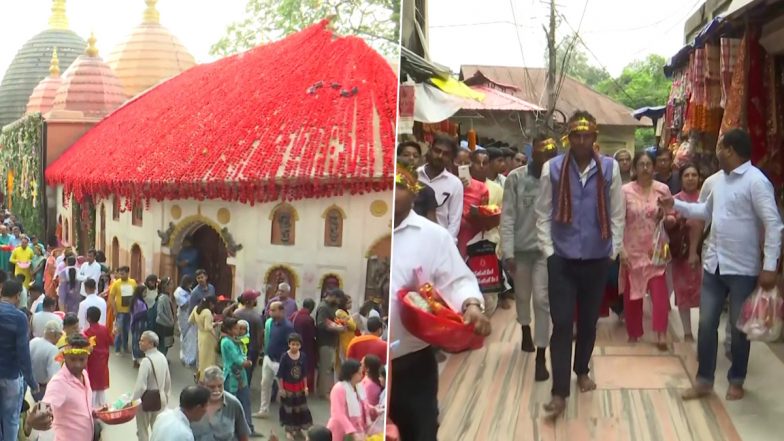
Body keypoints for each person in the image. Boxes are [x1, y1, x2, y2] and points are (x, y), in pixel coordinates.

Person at [660, 128, 784, 401]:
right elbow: (705, 211)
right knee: (706, 324)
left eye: (720, 147)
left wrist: (770, 266)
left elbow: (773, 224)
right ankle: (704, 380)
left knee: (740, 329)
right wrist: (675, 205)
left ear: (729, 150)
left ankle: (736, 379)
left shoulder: (756, 182)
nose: (716, 152)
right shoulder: (716, 181)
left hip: (743, 269)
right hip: (714, 265)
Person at [389, 162, 490, 440]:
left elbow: (457, 280)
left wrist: (470, 305)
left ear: (412, 191)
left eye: (398, 184)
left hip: (412, 365)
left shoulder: (432, 236)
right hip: (363, 369)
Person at [534, 111, 625, 417]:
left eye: (587, 136)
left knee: (588, 321)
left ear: (595, 138)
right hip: (561, 258)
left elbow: (616, 213)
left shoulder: (610, 168)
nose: (582, 141)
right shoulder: (553, 168)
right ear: (568, 138)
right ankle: (559, 392)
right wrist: (548, 250)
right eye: (576, 136)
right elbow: (542, 211)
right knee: (561, 323)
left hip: (597, 258)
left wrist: (613, 250)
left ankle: (582, 370)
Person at [501, 136, 558, 381]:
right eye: (543, 152)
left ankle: (541, 355)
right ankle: (525, 328)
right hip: (520, 251)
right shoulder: (515, 178)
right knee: (523, 296)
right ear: (533, 152)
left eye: (552, 152)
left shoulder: (557, 178)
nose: (547, 157)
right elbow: (508, 217)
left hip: (546, 251)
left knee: (543, 300)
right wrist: (508, 252)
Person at [620, 150, 675, 349]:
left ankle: (661, 334)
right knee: (632, 294)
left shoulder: (663, 189)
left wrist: (665, 217)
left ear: (654, 167)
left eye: (648, 164)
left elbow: (672, 216)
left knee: (659, 293)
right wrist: (621, 250)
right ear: (635, 168)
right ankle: (634, 333)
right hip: (631, 249)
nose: (645, 168)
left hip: (656, 250)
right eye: (641, 164)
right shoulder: (624, 191)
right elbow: (617, 220)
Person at [0, 278, 38, 440]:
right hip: (10, 376)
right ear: (17, 296)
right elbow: (24, 354)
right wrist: (32, 382)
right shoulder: (19, 318)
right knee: (11, 420)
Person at [670, 164, 703, 342]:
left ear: (699, 178)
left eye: (694, 175)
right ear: (681, 179)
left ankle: (705, 331)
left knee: (705, 294)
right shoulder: (674, 200)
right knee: (682, 294)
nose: (690, 178)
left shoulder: (706, 199)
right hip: (681, 256)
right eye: (687, 175)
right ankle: (688, 333)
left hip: (704, 254)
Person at [43, 333, 95, 441]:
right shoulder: (58, 382)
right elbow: (45, 406)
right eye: (72, 359)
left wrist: (94, 412)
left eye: (82, 360)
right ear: (64, 357)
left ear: (87, 358)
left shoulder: (84, 374)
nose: (77, 364)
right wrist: (39, 415)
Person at [417, 134, 463, 240]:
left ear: (452, 158)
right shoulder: (414, 175)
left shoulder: (455, 183)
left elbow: (454, 220)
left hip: (439, 240)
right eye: (437, 151)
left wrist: (447, 245)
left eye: (446, 154)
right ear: (430, 150)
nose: (440, 156)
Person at [191, 366, 251, 441]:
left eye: (220, 386)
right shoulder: (192, 402)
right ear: (203, 385)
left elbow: (243, 435)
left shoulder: (233, 404)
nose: (217, 390)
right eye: (212, 387)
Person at [219, 318, 257, 437]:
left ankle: (247, 428)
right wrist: (247, 363)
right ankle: (231, 431)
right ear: (229, 329)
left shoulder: (235, 340)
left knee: (245, 402)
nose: (238, 330)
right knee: (231, 405)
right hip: (232, 376)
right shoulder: (226, 342)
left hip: (241, 376)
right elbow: (238, 359)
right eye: (236, 328)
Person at [256, 301, 294, 418]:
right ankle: (264, 410)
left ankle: (288, 414)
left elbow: (291, 345)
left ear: (281, 311)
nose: (269, 312)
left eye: (273, 310)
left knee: (285, 389)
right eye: (269, 310)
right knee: (265, 384)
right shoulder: (271, 323)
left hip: (280, 362)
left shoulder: (288, 327)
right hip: (268, 358)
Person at [132, 331, 172, 441]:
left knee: (142, 430)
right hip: (161, 399)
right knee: (157, 430)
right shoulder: (162, 357)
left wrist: (133, 402)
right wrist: (166, 397)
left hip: (146, 401)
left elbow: (141, 386)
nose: (139, 342)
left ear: (151, 343)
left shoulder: (146, 361)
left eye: (142, 340)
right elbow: (168, 380)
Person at [277, 333, 313, 439]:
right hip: (288, 388)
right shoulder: (285, 357)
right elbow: (280, 374)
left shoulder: (303, 356)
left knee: (300, 409)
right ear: (289, 344)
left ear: (300, 346)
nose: (295, 347)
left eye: (297, 344)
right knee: (289, 409)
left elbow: (304, 373)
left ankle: (299, 429)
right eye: (293, 344)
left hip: (299, 387)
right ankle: (289, 430)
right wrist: (281, 388)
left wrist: (306, 387)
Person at [326, 359, 373, 441]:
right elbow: (338, 413)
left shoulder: (359, 386)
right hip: (341, 429)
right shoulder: (339, 388)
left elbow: (363, 404)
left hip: (358, 427)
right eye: (359, 373)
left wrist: (374, 408)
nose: (362, 375)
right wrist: (352, 432)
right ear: (351, 374)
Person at [314, 290, 345, 399]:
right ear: (332, 296)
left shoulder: (332, 306)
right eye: (338, 299)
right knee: (325, 368)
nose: (339, 302)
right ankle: (323, 392)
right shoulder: (324, 307)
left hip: (331, 341)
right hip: (325, 341)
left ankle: (322, 390)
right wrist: (337, 328)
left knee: (328, 367)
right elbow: (321, 324)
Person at [397, 141, 438, 222]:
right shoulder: (390, 186)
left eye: (415, 156)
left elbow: (432, 222)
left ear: (420, 161)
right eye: (406, 155)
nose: (411, 158)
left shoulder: (427, 191)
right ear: (397, 157)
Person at [81, 306, 111, 408]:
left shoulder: (86, 333)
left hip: (92, 362)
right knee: (101, 387)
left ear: (88, 318)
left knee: (92, 387)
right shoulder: (105, 329)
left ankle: (92, 411)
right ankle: (102, 408)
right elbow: (110, 341)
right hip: (103, 362)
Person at [232, 290, 264, 385]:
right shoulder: (256, 317)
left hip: (237, 344)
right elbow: (260, 335)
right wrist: (259, 349)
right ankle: (244, 389)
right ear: (249, 301)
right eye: (254, 299)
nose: (256, 301)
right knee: (248, 372)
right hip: (251, 348)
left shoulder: (236, 313)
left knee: (236, 368)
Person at [29, 320, 62, 402]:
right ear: (54, 334)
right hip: (42, 390)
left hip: (27, 387)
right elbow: (54, 375)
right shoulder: (53, 350)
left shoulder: (33, 341)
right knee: (42, 412)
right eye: (59, 335)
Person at [291, 298, 317, 392]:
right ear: (311, 308)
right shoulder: (308, 319)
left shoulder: (295, 314)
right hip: (305, 346)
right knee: (307, 367)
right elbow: (312, 334)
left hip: (293, 344)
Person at [110, 266, 137, 354]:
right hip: (120, 311)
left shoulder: (132, 282)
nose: (121, 275)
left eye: (123, 273)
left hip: (130, 311)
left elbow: (136, 294)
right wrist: (114, 309)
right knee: (119, 330)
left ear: (127, 273)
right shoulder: (116, 283)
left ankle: (125, 347)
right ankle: (117, 348)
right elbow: (111, 297)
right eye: (120, 273)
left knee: (126, 330)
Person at [190, 296, 218, 381]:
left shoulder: (196, 308)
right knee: (209, 359)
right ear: (210, 303)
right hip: (208, 338)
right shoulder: (207, 312)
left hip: (200, 335)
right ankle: (205, 378)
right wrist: (216, 337)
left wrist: (201, 324)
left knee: (202, 358)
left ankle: (199, 375)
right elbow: (208, 328)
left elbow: (191, 320)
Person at [175, 275, 198, 368]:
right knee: (185, 336)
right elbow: (183, 304)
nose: (190, 285)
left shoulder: (190, 291)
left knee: (192, 337)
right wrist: (192, 299)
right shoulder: (178, 292)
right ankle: (185, 357)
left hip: (191, 315)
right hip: (184, 316)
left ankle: (191, 358)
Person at [154, 278, 176, 357]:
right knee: (163, 345)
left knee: (167, 344)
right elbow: (160, 313)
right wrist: (169, 322)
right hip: (163, 325)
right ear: (165, 286)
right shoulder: (163, 297)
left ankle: (163, 358)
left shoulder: (167, 296)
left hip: (167, 324)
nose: (172, 286)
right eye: (170, 284)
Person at [131, 286, 150, 367]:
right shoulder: (138, 302)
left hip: (137, 324)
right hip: (139, 324)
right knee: (139, 341)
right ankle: (138, 359)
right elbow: (138, 314)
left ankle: (135, 359)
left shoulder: (136, 301)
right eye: (144, 292)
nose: (145, 294)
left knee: (136, 341)